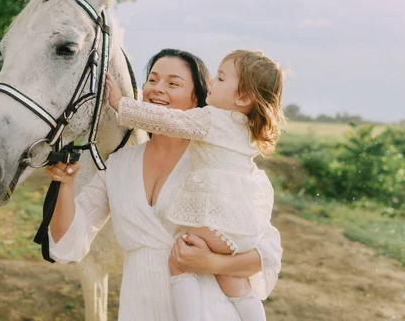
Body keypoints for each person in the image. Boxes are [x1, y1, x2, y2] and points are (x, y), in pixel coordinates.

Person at [46, 49, 282, 320]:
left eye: (173, 83)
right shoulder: (119, 164)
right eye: (153, 80)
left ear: (198, 98)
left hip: (210, 310)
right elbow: (67, 241)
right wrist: (65, 183)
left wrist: (214, 263)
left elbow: (266, 253)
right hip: (139, 308)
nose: (158, 89)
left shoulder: (218, 165)